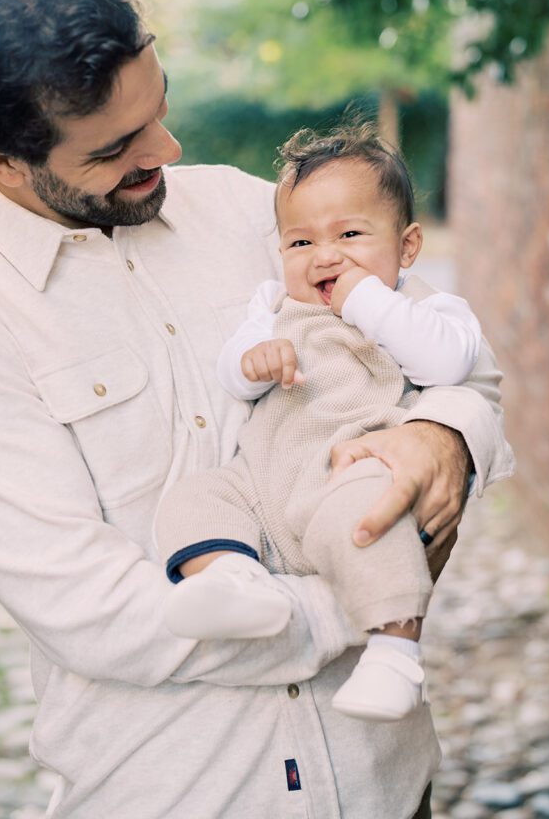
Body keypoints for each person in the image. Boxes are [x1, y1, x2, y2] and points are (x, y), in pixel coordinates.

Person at [0, 0, 514, 819]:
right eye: (114, 150)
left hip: (387, 780)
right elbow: (103, 615)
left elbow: (457, 361)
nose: (165, 149)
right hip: (186, 795)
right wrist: (370, 597)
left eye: (159, 109)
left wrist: (444, 439)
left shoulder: (254, 211)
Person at [156, 126, 485, 723]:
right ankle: (235, 579)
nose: (324, 256)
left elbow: (448, 364)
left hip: (351, 467)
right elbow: (235, 371)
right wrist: (255, 360)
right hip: (262, 479)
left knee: (368, 522)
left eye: (351, 235)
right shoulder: (274, 305)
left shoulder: (422, 308)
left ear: (407, 247)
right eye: (300, 241)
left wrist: (364, 299)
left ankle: (393, 652)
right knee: (195, 498)